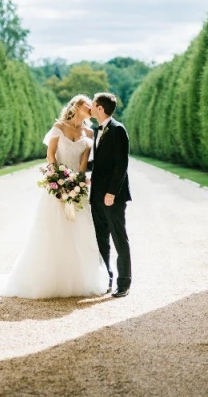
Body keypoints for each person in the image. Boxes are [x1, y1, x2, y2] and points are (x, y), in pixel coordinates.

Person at [0, 94, 108, 299]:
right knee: (53, 229)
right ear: (77, 106)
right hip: (57, 184)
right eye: (88, 104)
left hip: (77, 187)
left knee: (79, 230)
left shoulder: (89, 133)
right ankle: (48, 279)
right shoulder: (59, 126)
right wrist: (60, 180)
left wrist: (78, 183)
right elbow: (51, 155)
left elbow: (84, 162)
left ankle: (78, 280)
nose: (92, 107)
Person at [90, 92, 132, 298]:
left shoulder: (118, 129)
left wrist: (111, 192)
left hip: (112, 196)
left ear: (100, 108)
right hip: (96, 196)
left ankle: (123, 283)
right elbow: (98, 164)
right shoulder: (97, 131)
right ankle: (106, 280)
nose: (90, 107)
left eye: (92, 104)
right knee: (101, 240)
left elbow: (121, 165)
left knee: (118, 238)